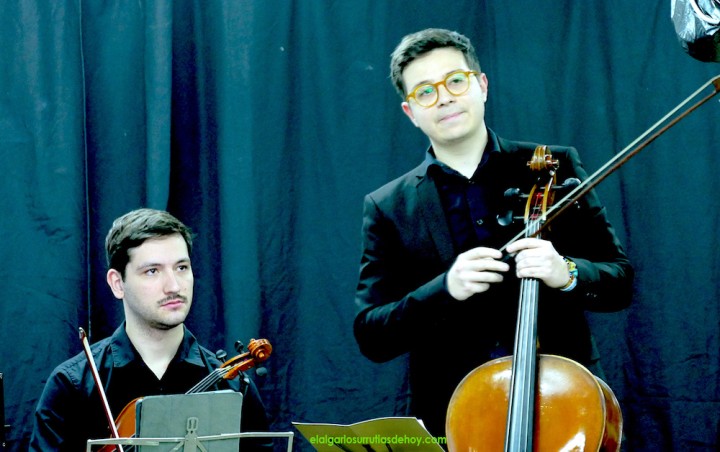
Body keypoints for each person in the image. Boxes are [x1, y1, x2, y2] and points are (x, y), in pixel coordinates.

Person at [353, 28, 634, 439]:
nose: (444, 98)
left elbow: (621, 282)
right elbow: (372, 335)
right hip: (456, 423)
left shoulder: (555, 168)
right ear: (410, 111)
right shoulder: (388, 206)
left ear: (481, 85)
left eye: (455, 81)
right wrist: (445, 289)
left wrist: (566, 272)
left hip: (564, 412)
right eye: (425, 92)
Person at [30, 208, 272, 451]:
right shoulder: (72, 386)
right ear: (117, 283)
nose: (173, 286)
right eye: (152, 271)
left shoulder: (233, 388)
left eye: (181, 267)